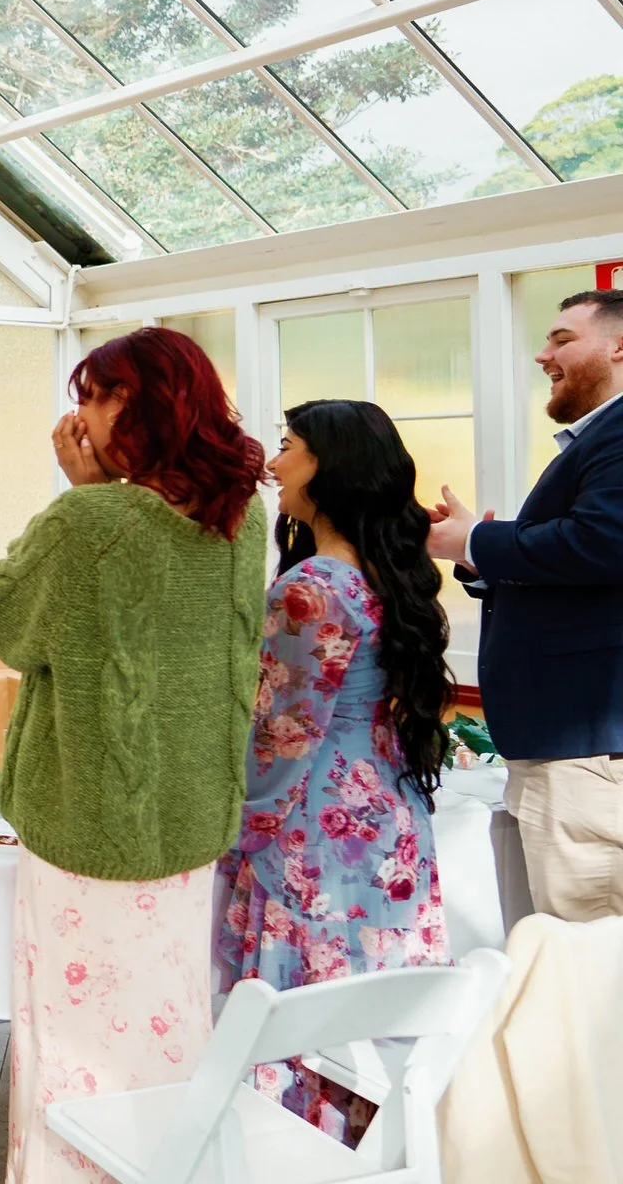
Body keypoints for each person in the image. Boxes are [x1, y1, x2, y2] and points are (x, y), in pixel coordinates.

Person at [0, 328, 267, 1184]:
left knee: (74, 1039)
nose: (81, 413)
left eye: (95, 394)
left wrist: (82, 493)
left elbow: (2, 617)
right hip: (192, 818)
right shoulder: (242, 521)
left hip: (88, 829)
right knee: (170, 1015)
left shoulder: (87, 520)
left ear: (138, 404)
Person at [218, 399, 452, 1141]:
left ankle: (293, 1151)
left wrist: (233, 830)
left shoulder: (309, 589)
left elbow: (278, 737)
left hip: (310, 832)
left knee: (297, 1023)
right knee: (374, 1017)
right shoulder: (393, 574)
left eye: (288, 447)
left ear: (328, 467)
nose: (274, 464)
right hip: (391, 825)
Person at [428, 289, 623, 922]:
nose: (543, 355)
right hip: (568, 744)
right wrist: (476, 559)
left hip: (588, 745)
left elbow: (601, 543)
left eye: (563, 339)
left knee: (587, 945)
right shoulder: (598, 441)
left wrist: (479, 540)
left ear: (619, 347)